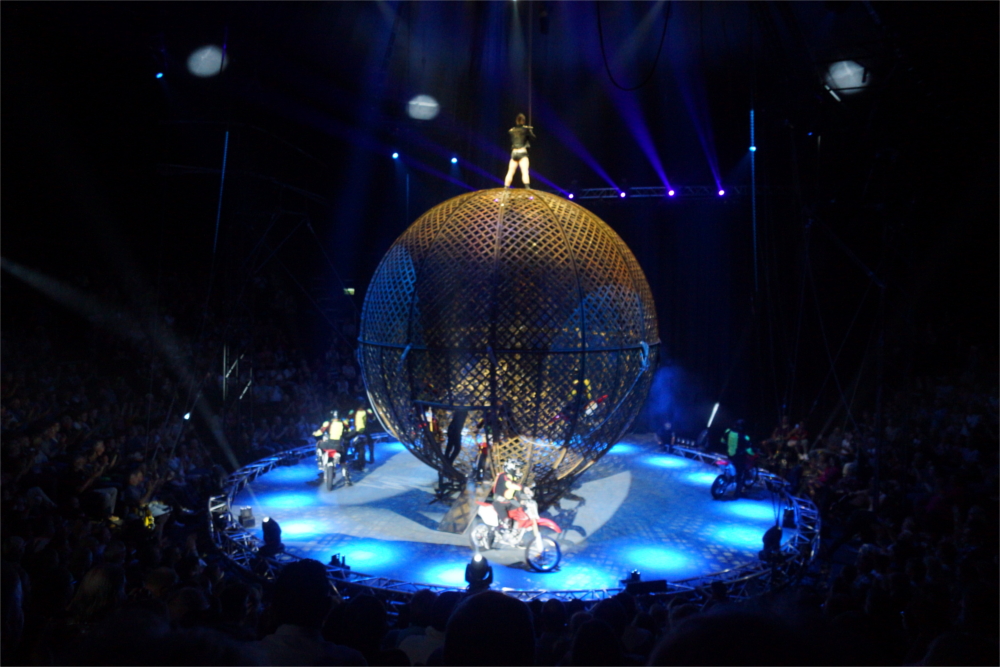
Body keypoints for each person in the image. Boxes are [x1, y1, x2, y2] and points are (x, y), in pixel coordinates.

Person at [722, 419, 753, 497]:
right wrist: (753, 453)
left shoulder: (728, 431)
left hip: (729, 455)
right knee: (741, 474)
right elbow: (749, 450)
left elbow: (722, 440)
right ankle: (737, 492)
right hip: (738, 457)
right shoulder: (744, 437)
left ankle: (729, 479)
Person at [504, 113, 535, 189]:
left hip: (514, 153)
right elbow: (533, 138)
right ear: (523, 121)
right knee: (525, 171)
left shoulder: (511, 130)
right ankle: (527, 188)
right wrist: (530, 131)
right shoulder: (525, 129)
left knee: (510, 171)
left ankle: (506, 187)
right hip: (522, 152)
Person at [492, 459, 523, 531]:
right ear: (511, 469)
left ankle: (516, 528)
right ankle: (499, 530)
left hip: (508, 501)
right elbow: (509, 485)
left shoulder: (511, 477)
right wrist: (522, 488)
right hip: (499, 502)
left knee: (521, 508)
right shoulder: (504, 476)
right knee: (506, 520)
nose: (518, 471)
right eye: (517, 469)